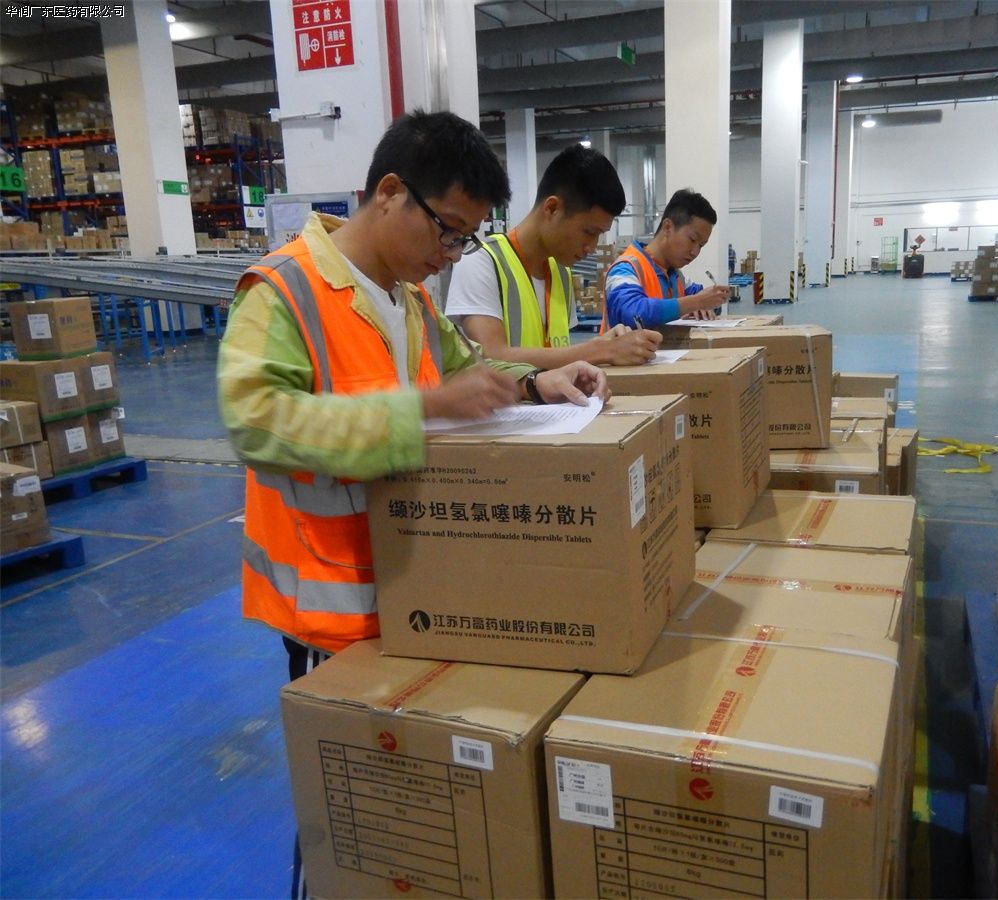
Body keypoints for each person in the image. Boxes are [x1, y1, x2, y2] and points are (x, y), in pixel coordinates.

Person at [216, 109, 609, 897]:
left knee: (417, 808)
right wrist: (421, 409)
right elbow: (257, 421)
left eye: (464, 239)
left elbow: (469, 369)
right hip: (333, 609)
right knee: (349, 811)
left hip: (419, 589)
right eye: (447, 230)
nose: (449, 255)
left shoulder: (411, 300)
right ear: (391, 192)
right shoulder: (284, 290)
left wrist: (538, 383)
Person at [445, 143, 660, 366]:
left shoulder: (561, 274)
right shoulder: (481, 261)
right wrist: (600, 350)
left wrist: (604, 344)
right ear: (552, 208)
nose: (592, 247)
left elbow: (558, 354)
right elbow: (491, 356)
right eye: (589, 232)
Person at [604, 188, 731, 328]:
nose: (695, 252)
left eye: (701, 245)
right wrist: (696, 302)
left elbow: (701, 295)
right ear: (667, 227)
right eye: (692, 239)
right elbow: (632, 313)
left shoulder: (676, 276)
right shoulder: (625, 269)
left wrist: (711, 302)